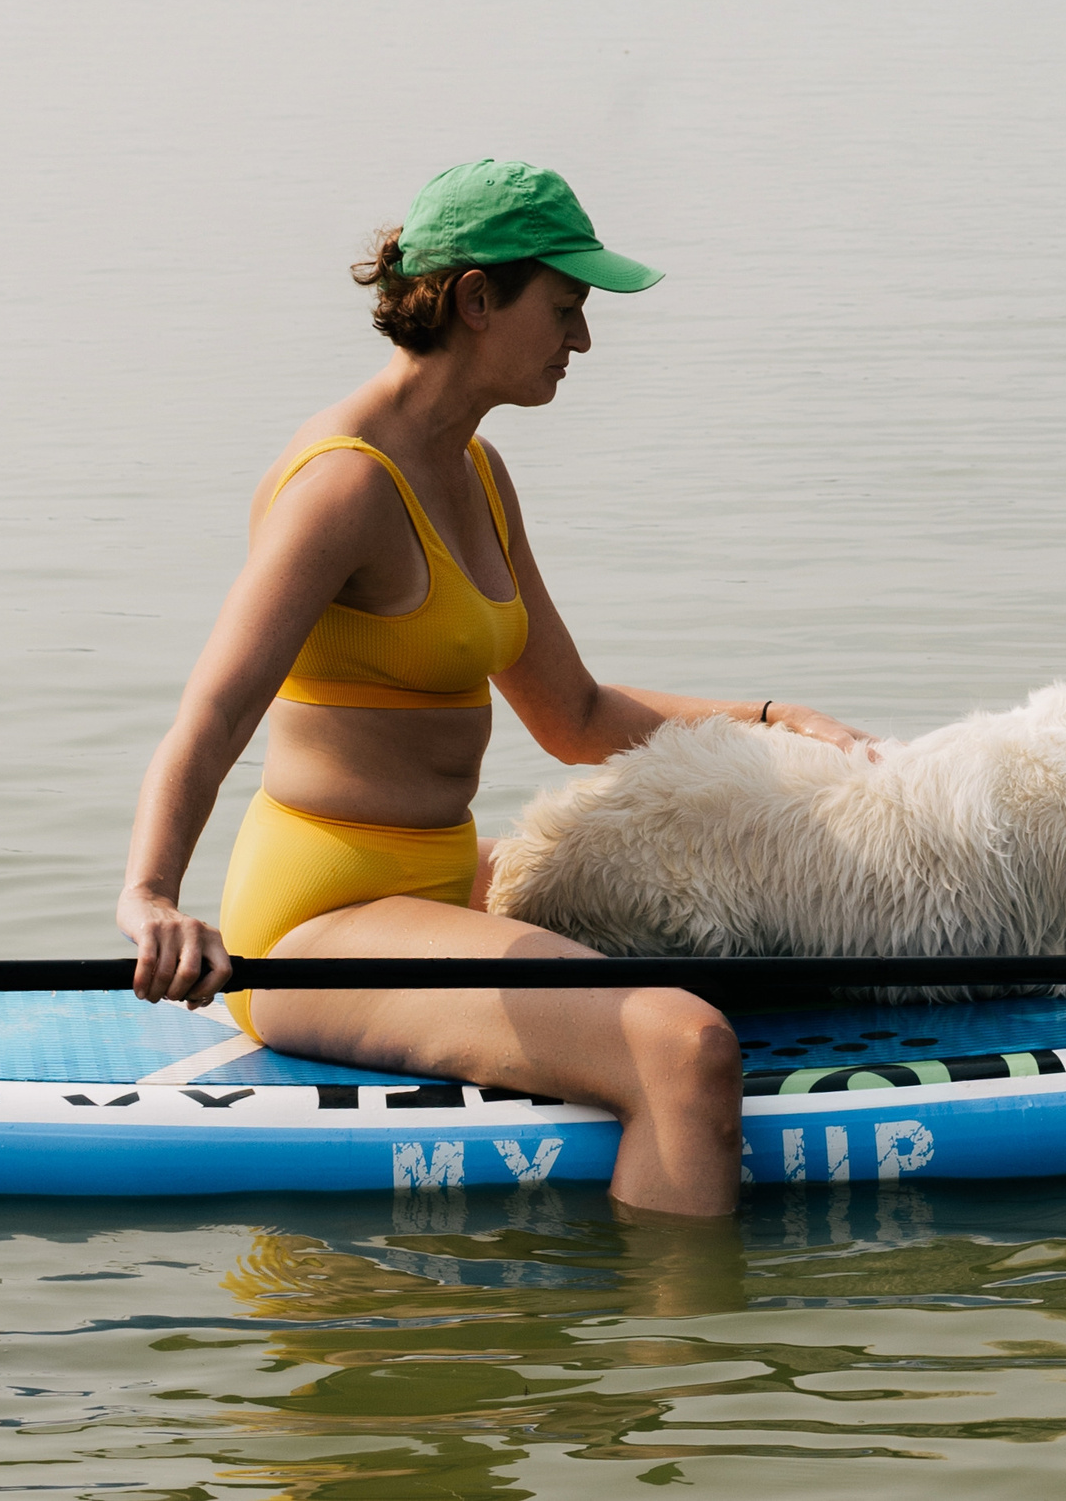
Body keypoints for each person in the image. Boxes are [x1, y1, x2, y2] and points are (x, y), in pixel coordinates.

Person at [117, 160, 872, 1217]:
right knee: (686, 1048)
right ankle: (676, 1361)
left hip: (438, 884)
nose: (583, 340)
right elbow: (213, 711)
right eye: (565, 309)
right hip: (318, 922)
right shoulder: (344, 482)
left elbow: (574, 717)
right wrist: (153, 896)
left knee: (723, 938)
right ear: (478, 300)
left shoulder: (476, 471)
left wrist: (768, 720)